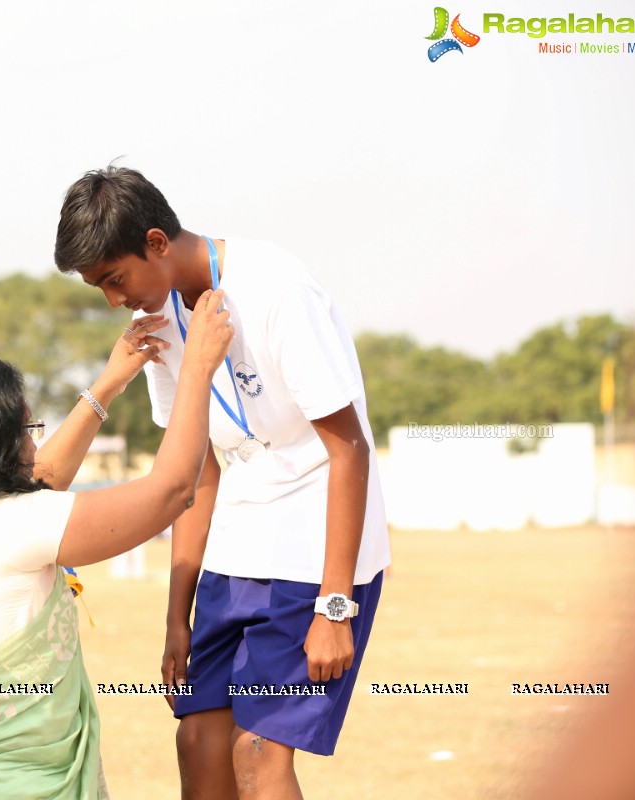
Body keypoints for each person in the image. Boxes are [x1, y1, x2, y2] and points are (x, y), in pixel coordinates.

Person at [55, 167, 391, 800]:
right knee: (198, 742)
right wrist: (176, 615)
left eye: (114, 279)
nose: (113, 301)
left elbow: (350, 449)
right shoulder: (160, 321)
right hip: (235, 550)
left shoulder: (277, 288)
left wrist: (335, 606)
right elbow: (196, 473)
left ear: (157, 241)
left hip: (313, 553)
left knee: (258, 754)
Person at [0, 294, 233, 799]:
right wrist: (198, 370)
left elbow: (41, 480)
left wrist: (108, 383)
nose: (35, 445)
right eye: (27, 430)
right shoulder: (13, 525)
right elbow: (172, 490)